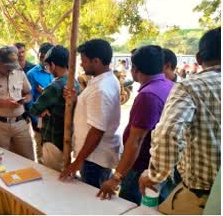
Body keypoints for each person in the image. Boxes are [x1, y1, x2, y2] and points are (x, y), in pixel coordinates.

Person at [139, 27, 221, 214]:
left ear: (199, 58)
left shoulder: (190, 86)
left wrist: (154, 175)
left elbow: (169, 133)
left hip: (202, 197)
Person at [97, 45, 174, 204]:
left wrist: (116, 178)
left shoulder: (148, 95)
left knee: (130, 207)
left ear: (135, 69)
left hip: (141, 168)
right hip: (159, 166)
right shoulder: (168, 85)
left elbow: (136, 141)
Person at [59, 39, 121, 188]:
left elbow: (97, 131)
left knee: (92, 204)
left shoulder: (101, 89)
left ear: (96, 61)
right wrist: (77, 99)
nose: (81, 64)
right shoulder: (104, 81)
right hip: (93, 157)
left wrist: (77, 162)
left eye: (84, 61)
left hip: (94, 159)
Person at [29, 46, 80, 171]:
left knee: (51, 177)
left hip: (53, 141)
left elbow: (34, 109)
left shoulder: (55, 85)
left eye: (47, 66)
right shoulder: (74, 82)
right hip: (67, 139)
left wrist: (42, 109)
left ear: (52, 65)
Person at [25, 42, 55, 162]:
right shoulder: (32, 74)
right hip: (40, 122)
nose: (43, 60)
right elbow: (29, 99)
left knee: (54, 154)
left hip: (56, 122)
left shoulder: (60, 72)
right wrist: (36, 120)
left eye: (45, 57)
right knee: (41, 152)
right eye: (41, 56)